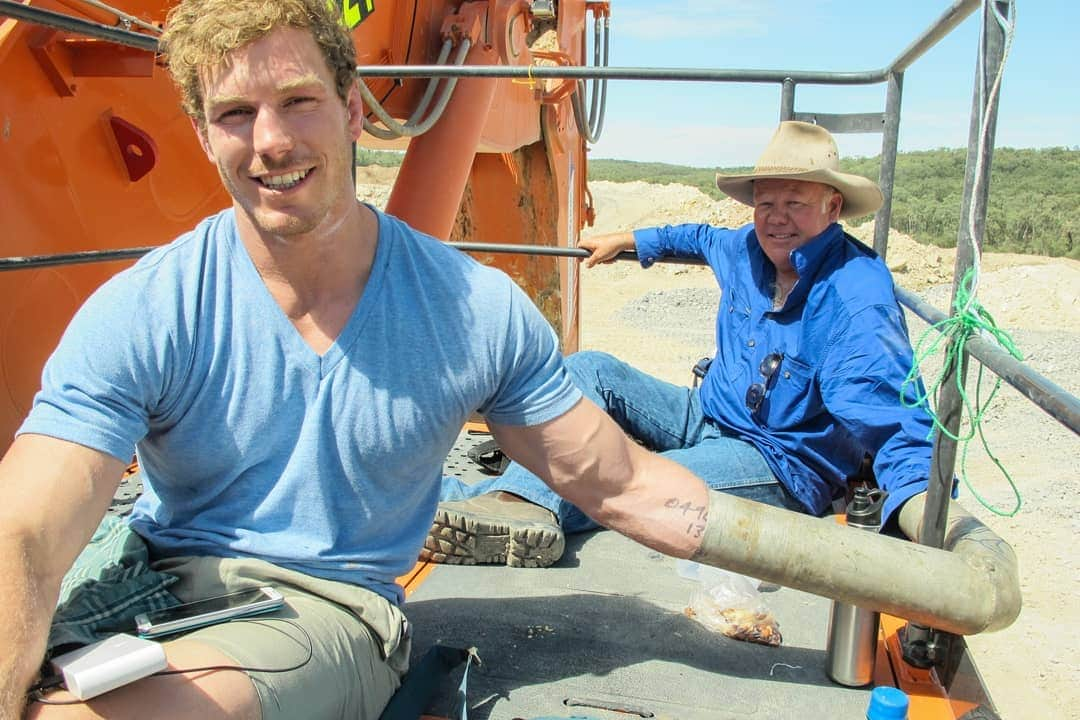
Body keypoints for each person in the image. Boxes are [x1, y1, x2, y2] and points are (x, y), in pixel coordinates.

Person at [0, 1, 713, 718]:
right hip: (145, 578)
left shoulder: (472, 312)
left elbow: (623, 487)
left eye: (298, 101)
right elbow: (26, 525)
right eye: (236, 113)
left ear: (349, 109)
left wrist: (822, 562)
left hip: (321, 607)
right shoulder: (151, 306)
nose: (270, 142)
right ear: (200, 132)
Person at [428, 120, 935, 568]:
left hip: (775, 461)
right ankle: (511, 504)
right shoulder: (746, 248)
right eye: (766, 203)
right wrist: (629, 241)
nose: (777, 218)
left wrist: (923, 513)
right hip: (705, 414)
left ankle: (497, 507)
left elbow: (891, 421)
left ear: (833, 206)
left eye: (795, 203)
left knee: (639, 480)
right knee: (590, 368)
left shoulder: (855, 298)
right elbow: (697, 236)